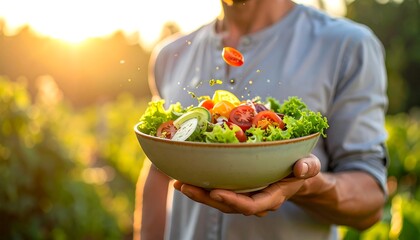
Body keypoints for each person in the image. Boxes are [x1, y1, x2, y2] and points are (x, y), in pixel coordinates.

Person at [134, 0, 389, 239]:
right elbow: (159, 169)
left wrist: (306, 186)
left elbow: (370, 201)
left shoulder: (347, 46)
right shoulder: (171, 54)